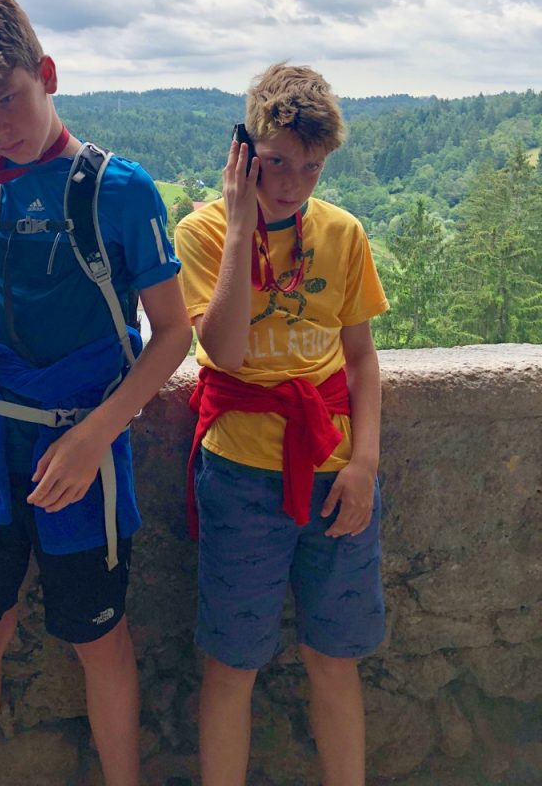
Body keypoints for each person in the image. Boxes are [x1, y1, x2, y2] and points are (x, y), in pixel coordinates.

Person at [0, 0, 191, 786]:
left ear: (48, 73)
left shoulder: (120, 189)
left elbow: (174, 331)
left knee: (99, 637)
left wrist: (97, 433)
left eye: (10, 97)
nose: (0, 124)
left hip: (83, 446)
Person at [174, 63, 389, 786]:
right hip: (242, 473)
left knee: (335, 658)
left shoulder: (342, 233)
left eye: (310, 168)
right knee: (233, 663)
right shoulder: (202, 232)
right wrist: (241, 228)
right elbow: (224, 351)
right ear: (245, 151)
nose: (292, 185)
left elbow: (360, 359)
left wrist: (364, 466)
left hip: (334, 464)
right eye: (274, 165)